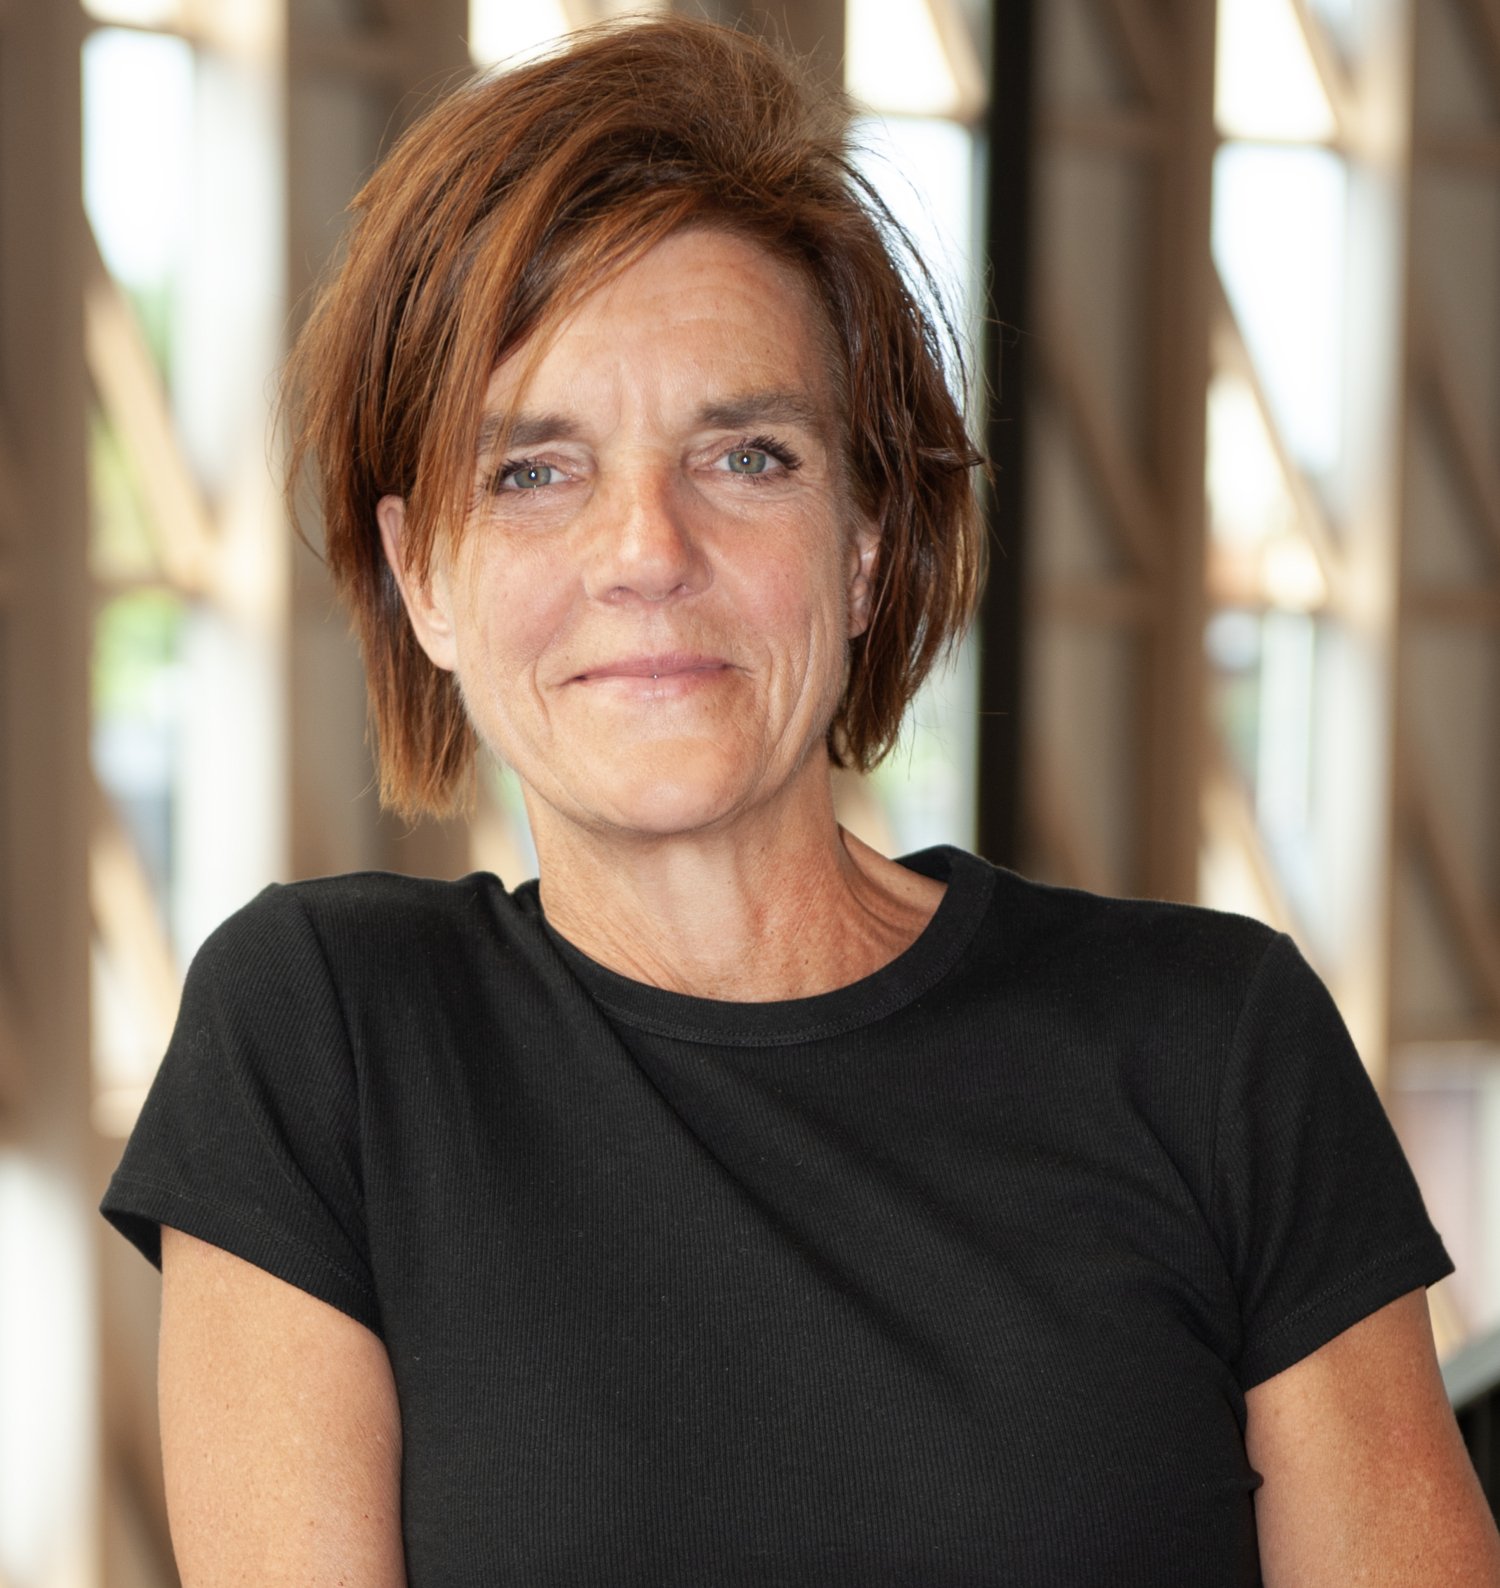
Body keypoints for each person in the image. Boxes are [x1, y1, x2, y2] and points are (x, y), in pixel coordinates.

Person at [100, 16, 1500, 1587]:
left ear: (868, 547)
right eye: (534, 471)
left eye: (746, 455)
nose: (646, 549)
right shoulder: (326, 1040)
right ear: (423, 574)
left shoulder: (1212, 1043)